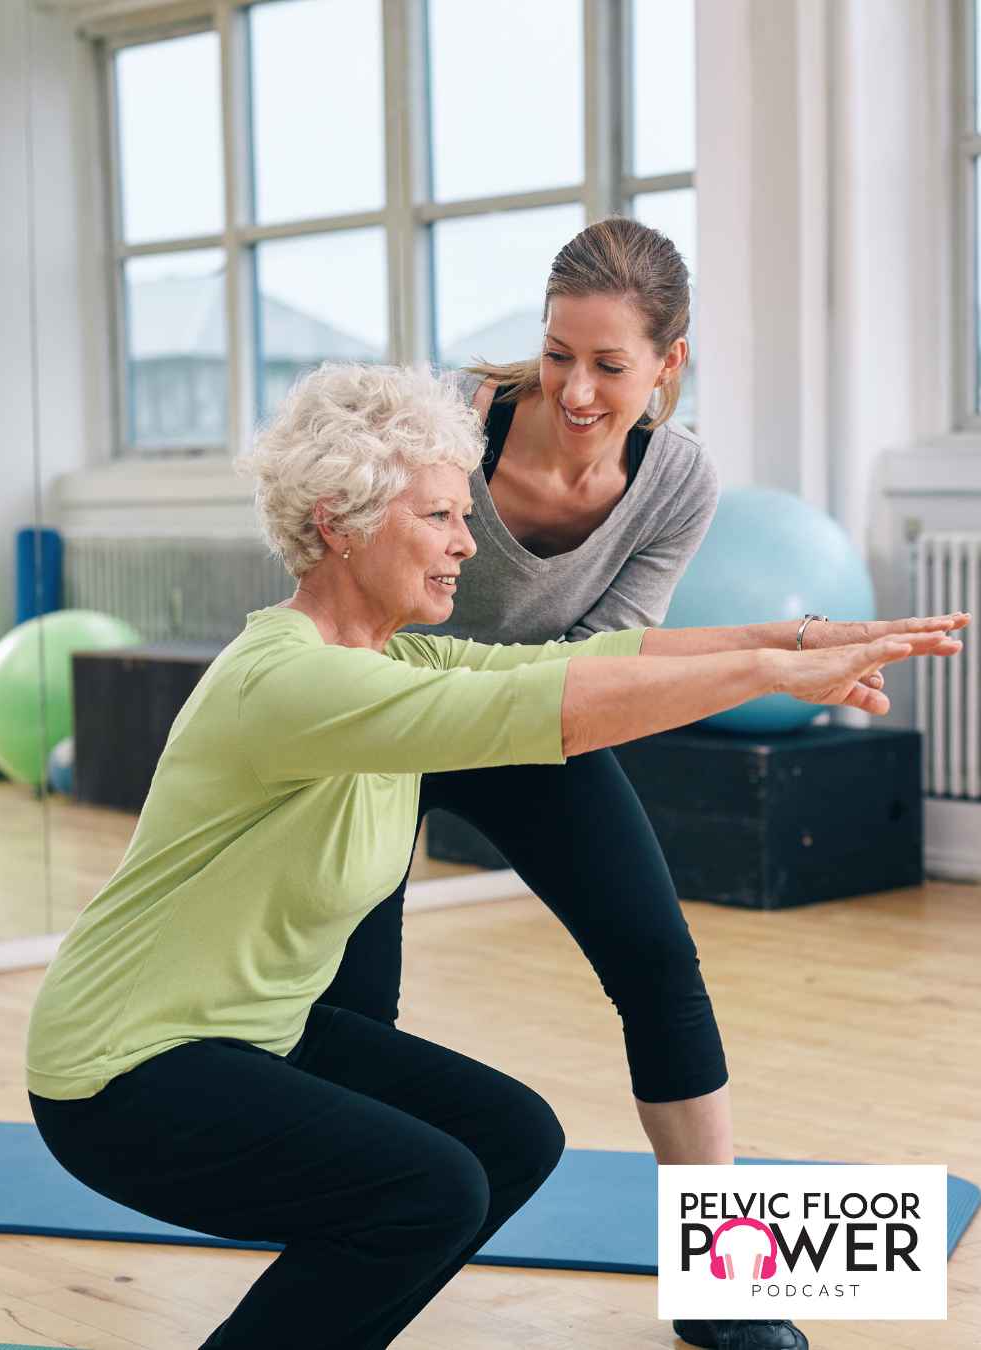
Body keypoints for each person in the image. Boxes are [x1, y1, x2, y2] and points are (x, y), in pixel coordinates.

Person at [26, 362, 965, 1350]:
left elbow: (583, 663)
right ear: (339, 522)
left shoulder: (389, 656)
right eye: (439, 518)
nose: (468, 545)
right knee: (428, 1189)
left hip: (251, 1032)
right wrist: (771, 674)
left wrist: (805, 635)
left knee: (510, 1139)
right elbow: (542, 710)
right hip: (122, 1071)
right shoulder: (287, 681)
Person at [315, 219, 971, 1350]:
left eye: (610, 364)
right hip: (392, 716)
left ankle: (721, 1284)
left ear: (670, 363)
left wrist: (775, 654)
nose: (574, 388)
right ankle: (343, 1243)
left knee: (660, 964)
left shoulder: (676, 480)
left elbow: (610, 657)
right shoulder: (454, 425)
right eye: (559, 352)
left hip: (536, 724)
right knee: (353, 1007)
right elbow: (344, 583)